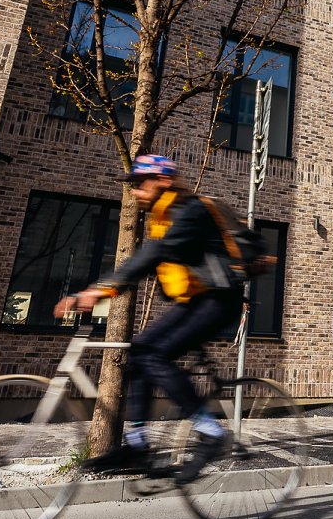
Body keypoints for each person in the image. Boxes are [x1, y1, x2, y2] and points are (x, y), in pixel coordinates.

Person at [54, 153, 243, 476]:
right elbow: (152, 259)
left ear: (163, 181)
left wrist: (99, 290)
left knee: (154, 355)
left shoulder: (189, 211)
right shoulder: (163, 215)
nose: (135, 191)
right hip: (197, 300)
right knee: (140, 352)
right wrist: (107, 289)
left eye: (141, 183)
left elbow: (154, 254)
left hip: (220, 300)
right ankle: (138, 445)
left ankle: (211, 432)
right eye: (133, 185)